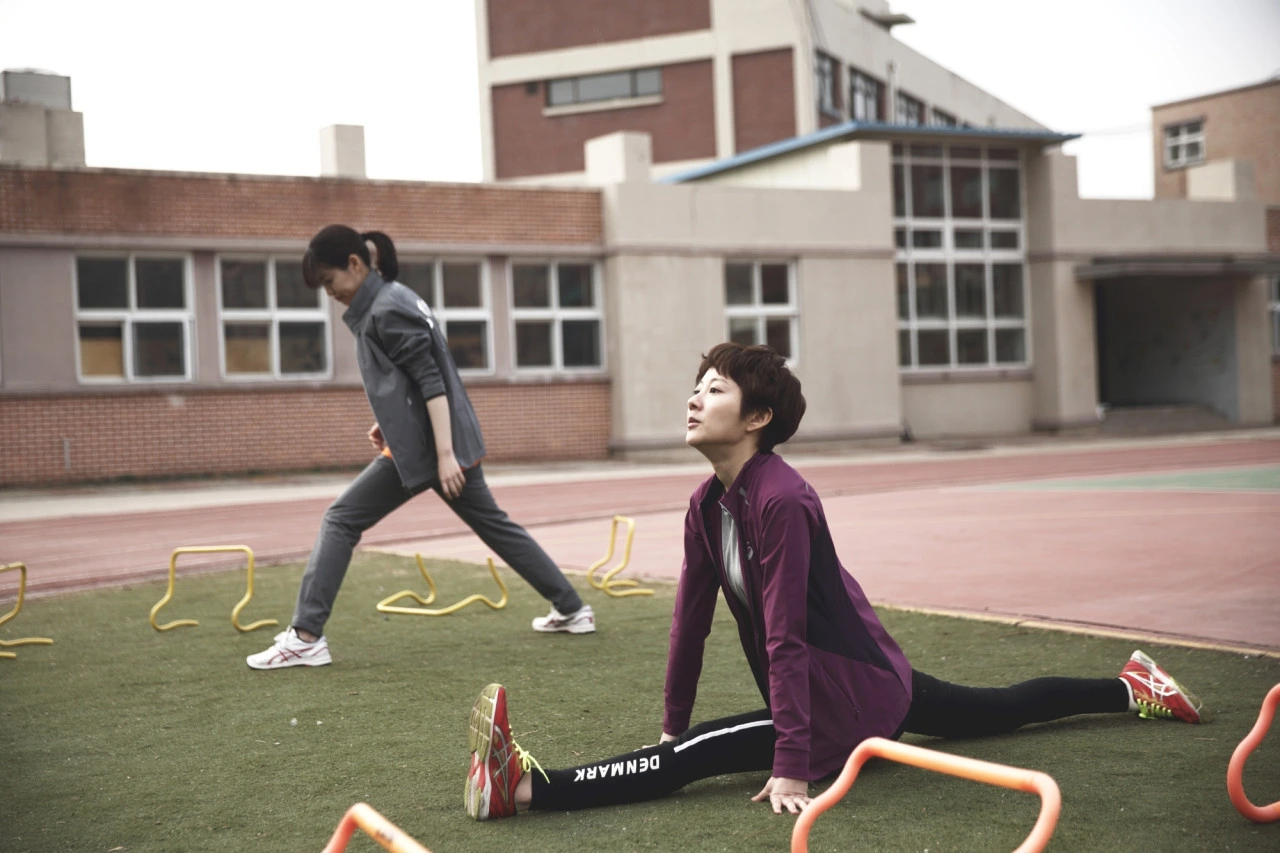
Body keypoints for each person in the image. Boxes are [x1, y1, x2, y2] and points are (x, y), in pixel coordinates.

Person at [462, 342, 1206, 820]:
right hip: (868, 682)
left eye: (713, 390)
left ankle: (522, 788)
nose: (694, 398)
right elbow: (690, 621)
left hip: (843, 701)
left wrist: (792, 765)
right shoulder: (706, 504)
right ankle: (1133, 686)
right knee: (999, 707)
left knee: (694, 761)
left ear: (756, 417)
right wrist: (671, 721)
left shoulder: (783, 499)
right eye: (697, 387)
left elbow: (785, 634)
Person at [247, 225, 595, 670]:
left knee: (341, 519)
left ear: (355, 264)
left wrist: (445, 456)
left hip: (432, 448)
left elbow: (432, 381)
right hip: (435, 440)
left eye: (330, 282)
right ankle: (572, 608)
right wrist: (391, 421)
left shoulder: (387, 308)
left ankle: (306, 636)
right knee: (495, 526)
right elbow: (415, 378)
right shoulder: (395, 297)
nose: (330, 294)